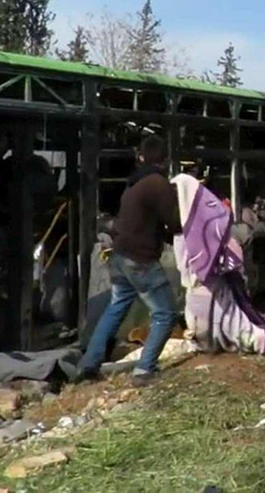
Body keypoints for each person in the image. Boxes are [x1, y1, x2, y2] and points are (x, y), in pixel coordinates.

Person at [78, 135, 182, 386]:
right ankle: (144, 370)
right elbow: (175, 223)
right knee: (166, 313)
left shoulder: (134, 183)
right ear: (165, 160)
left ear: (142, 157)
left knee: (115, 308)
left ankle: (89, 365)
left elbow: (147, 221)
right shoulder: (158, 183)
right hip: (140, 260)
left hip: (120, 256)